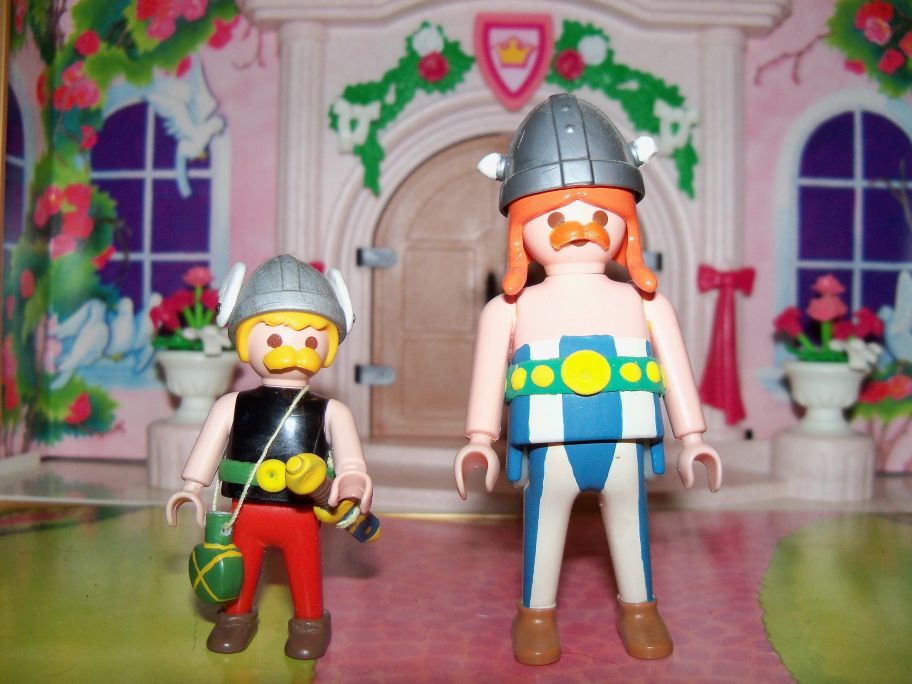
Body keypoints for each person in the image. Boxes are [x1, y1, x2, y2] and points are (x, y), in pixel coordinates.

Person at [454, 94, 722, 665]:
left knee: (630, 525)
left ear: (625, 225)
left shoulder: (646, 304)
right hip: (550, 444)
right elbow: (487, 377)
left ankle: (640, 607)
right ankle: (536, 612)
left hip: (624, 440)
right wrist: (479, 440)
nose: (578, 227)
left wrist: (693, 437)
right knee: (544, 526)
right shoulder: (509, 309)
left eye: (600, 214)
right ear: (522, 230)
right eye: (554, 217)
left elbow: (675, 370)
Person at [166, 254, 372, 660]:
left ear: (330, 347)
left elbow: (351, 464)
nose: (293, 351)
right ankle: (235, 618)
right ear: (245, 340)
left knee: (305, 570)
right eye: (275, 339)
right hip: (245, 509)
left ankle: (310, 623)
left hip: (301, 512)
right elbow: (208, 446)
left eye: (310, 341)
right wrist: (191, 486)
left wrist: (352, 482)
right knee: (238, 568)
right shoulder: (232, 404)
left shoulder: (332, 411)